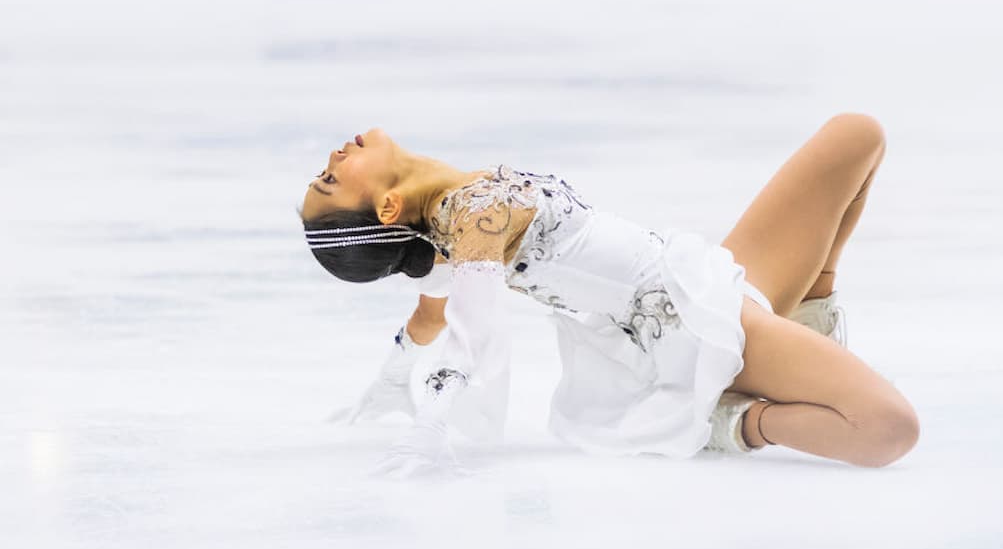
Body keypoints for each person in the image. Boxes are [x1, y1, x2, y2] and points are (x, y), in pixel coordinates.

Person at [300, 114, 919, 472]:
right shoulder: (474, 222)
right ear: (385, 206)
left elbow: (427, 312)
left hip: (703, 273)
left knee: (856, 135)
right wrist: (433, 420)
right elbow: (471, 329)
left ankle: (804, 327)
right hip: (693, 323)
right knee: (888, 429)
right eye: (331, 180)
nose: (333, 156)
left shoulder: (448, 222)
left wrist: (394, 374)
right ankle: (727, 420)